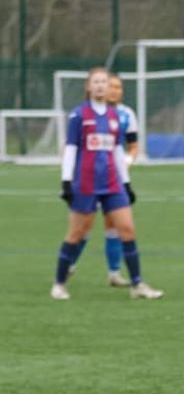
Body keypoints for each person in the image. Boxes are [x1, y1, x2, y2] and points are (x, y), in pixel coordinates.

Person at [50, 67, 163, 300]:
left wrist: (127, 183)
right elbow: (71, 149)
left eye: (105, 82)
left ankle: (137, 285)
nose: (102, 86)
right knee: (76, 233)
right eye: (97, 82)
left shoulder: (114, 116)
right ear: (89, 87)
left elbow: (117, 151)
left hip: (112, 183)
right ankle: (59, 284)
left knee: (127, 230)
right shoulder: (79, 115)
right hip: (86, 183)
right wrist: (66, 181)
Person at [68, 72, 139, 286]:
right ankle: (69, 264)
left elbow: (133, 146)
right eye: (112, 86)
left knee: (116, 224)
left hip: (114, 178)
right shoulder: (86, 113)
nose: (115, 91)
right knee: (84, 226)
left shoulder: (126, 114)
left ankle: (114, 273)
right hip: (89, 177)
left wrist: (126, 161)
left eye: (119, 87)